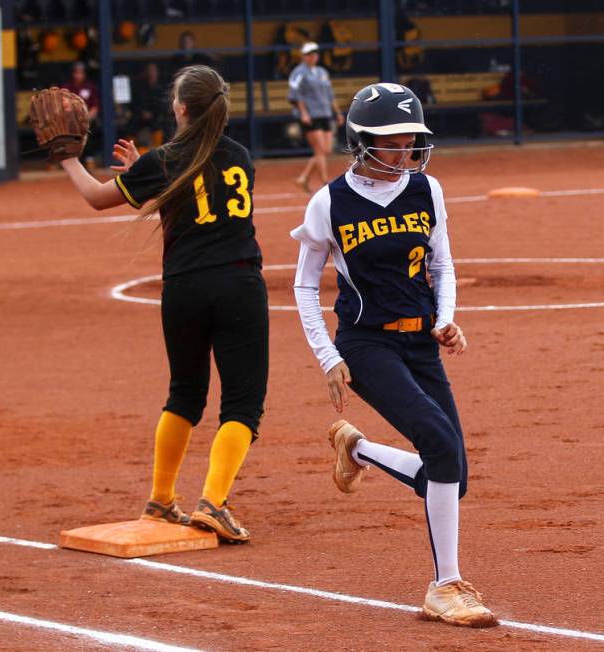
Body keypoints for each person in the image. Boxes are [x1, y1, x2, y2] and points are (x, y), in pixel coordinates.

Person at [291, 83, 498, 628]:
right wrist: (327, 356)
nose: (405, 150)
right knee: (439, 443)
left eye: (410, 139)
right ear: (360, 142)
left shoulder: (427, 189)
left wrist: (446, 318)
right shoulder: (329, 202)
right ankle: (445, 586)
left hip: (419, 342)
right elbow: (304, 287)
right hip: (366, 343)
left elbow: (441, 265)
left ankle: (357, 451)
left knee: (453, 475)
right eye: (391, 140)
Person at [58, 65, 268, 543]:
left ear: (181, 108)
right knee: (242, 404)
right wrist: (144, 171)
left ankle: (162, 497)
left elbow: (96, 197)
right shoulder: (240, 157)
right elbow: (201, 191)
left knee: (185, 394)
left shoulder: (164, 159)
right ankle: (213, 501)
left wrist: (69, 159)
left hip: (182, 289)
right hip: (237, 285)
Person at [287, 42, 344, 194]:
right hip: (311, 115)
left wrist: (337, 112)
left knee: (326, 150)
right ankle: (325, 183)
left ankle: (303, 178)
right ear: (304, 56)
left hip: (325, 113)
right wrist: (303, 113)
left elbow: (330, 94)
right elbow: (295, 94)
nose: (313, 56)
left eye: (315, 53)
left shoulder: (322, 72)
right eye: (310, 54)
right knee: (319, 150)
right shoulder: (299, 72)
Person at [62, 61, 100, 162]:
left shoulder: (89, 86)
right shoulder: (67, 87)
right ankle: (70, 158)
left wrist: (87, 118)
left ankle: (89, 158)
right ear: (72, 74)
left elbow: (95, 106)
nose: (78, 75)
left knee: (89, 131)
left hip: (87, 119)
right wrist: (73, 118)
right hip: (71, 120)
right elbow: (64, 105)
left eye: (81, 73)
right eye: (76, 73)